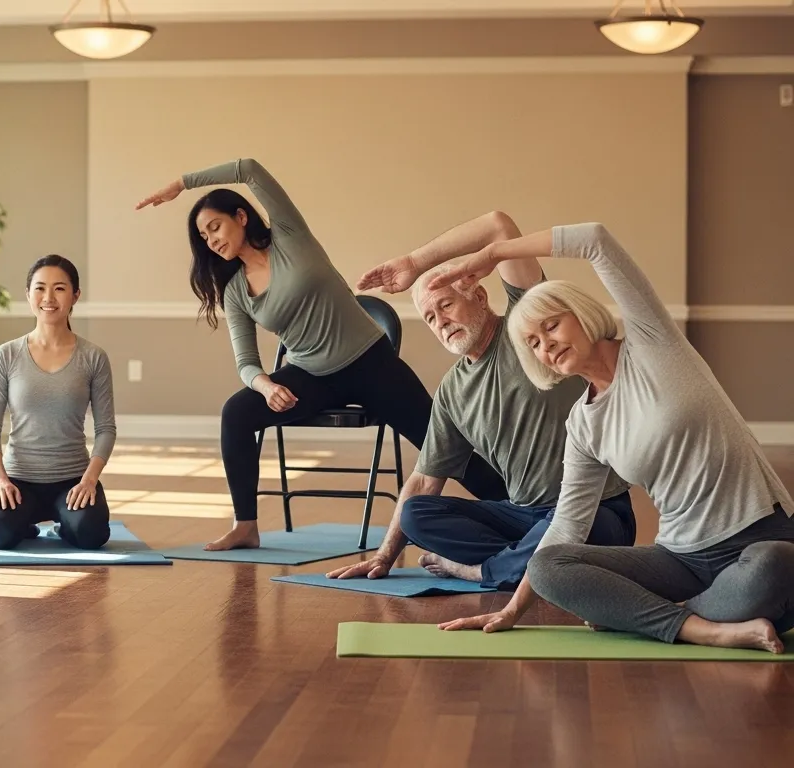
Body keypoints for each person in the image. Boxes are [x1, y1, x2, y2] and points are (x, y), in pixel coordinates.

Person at [434, 222, 794, 653]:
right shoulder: (583, 424)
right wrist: (512, 611)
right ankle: (705, 628)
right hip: (680, 558)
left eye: (552, 326)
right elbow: (568, 524)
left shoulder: (652, 343)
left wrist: (493, 255)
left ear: (581, 314)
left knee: (776, 565)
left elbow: (595, 240)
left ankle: (655, 615)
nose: (546, 345)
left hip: (757, 538)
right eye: (533, 343)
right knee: (548, 566)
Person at [135, 158, 507, 551]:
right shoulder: (236, 291)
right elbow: (246, 362)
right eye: (203, 236)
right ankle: (245, 526)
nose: (211, 240)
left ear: (241, 217)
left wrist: (183, 183)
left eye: (215, 227)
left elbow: (249, 169)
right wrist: (264, 386)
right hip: (311, 377)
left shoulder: (289, 236)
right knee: (236, 413)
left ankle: (521, 507)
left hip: (372, 364)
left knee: (444, 445)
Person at [327, 211, 636, 590]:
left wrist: (414, 263)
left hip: (597, 510)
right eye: (430, 317)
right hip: (523, 515)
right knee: (416, 514)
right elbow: (424, 480)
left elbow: (498, 226)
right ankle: (536, 564)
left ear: (479, 295)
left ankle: (485, 570)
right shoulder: (452, 391)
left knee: (585, 529)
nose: (440, 321)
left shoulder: (526, 328)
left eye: (445, 305)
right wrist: (383, 557)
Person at [0, 255, 116, 551]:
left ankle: (64, 526)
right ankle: (23, 525)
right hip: (18, 480)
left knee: (90, 534)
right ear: (28, 294)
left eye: (60, 288)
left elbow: (105, 428)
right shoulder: (6, 355)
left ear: (75, 295)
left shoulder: (93, 357)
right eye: (40, 288)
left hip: (72, 481)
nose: (48, 298)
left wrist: (89, 481)